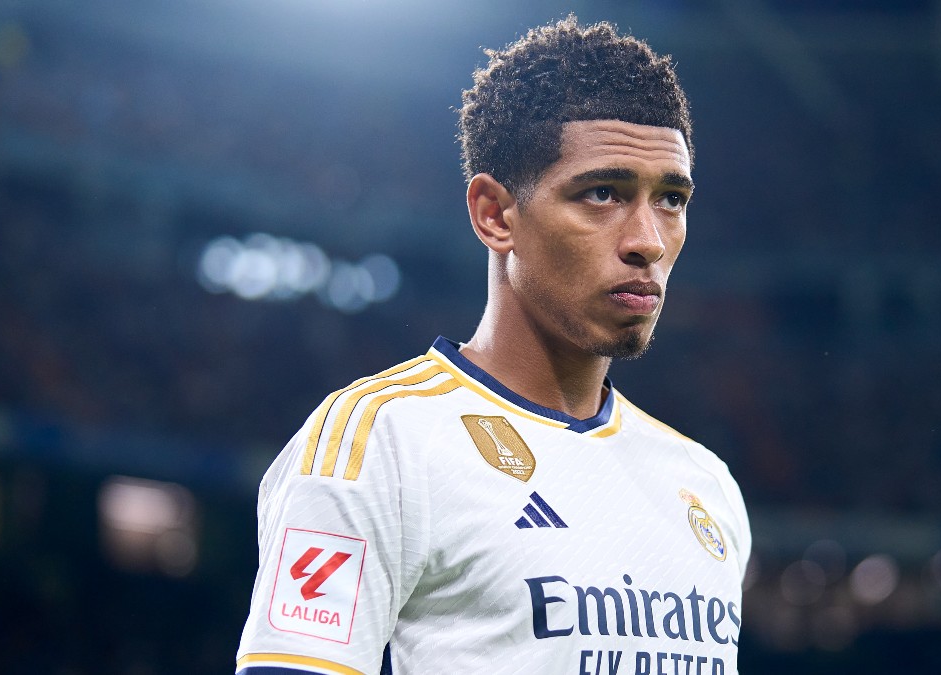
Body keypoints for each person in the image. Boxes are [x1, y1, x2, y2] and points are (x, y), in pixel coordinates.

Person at [235, 16, 750, 675]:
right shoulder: (378, 442)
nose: (647, 240)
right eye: (603, 193)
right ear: (494, 214)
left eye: (671, 199)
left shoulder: (705, 484)